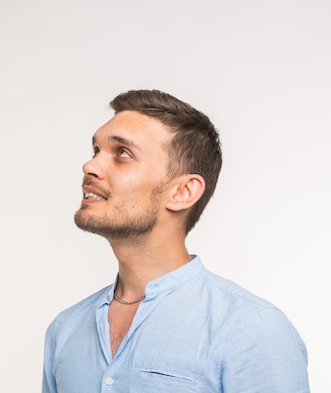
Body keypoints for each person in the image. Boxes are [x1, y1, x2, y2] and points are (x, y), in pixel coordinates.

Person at [42, 89, 309, 392]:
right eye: (95, 151)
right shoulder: (64, 330)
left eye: (122, 153)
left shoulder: (252, 330)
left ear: (182, 192)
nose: (90, 167)